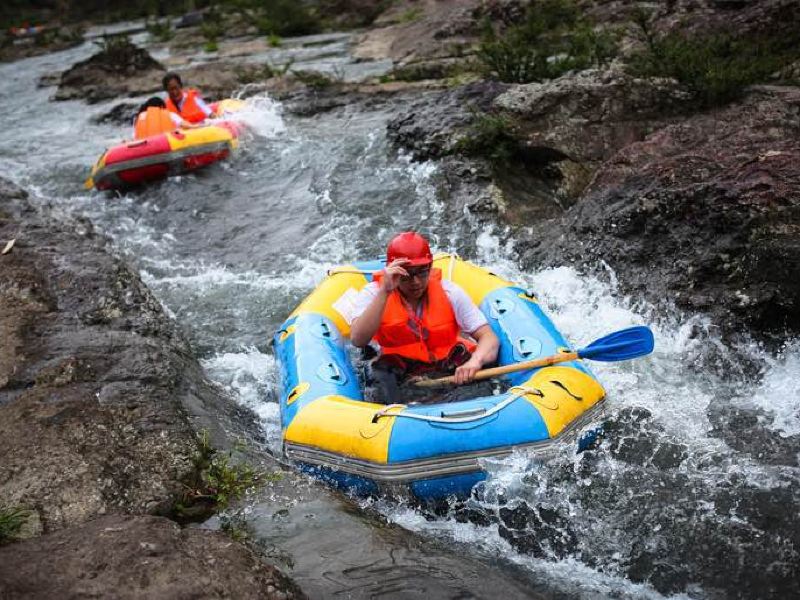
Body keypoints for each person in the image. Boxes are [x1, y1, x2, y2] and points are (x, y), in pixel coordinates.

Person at [350, 232, 499, 403]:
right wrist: (385, 291)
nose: (416, 282)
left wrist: (475, 362)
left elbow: (489, 338)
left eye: (422, 272)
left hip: (444, 364)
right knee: (378, 372)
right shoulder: (374, 293)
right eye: (406, 274)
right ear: (393, 271)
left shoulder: (451, 292)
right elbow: (358, 340)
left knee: (481, 371)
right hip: (399, 367)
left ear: (430, 267)